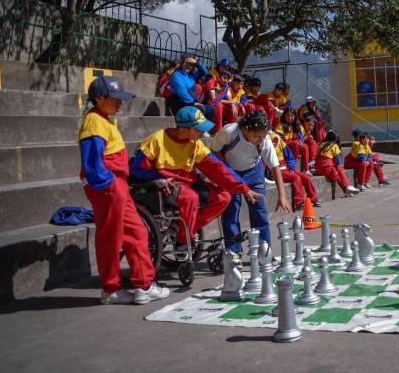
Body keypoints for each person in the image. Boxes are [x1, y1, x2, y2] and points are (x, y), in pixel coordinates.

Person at [79, 76, 169, 305]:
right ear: (100, 98)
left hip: (117, 186)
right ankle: (111, 289)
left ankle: (143, 285)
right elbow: (92, 163)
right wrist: (108, 184)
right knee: (111, 238)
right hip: (109, 187)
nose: (120, 103)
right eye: (115, 98)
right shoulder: (94, 121)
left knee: (137, 231)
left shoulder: (105, 120)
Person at [131, 107, 262, 254]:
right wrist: (159, 179)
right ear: (183, 129)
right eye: (199, 130)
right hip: (165, 185)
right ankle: (183, 240)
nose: (203, 134)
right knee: (190, 197)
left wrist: (244, 188)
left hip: (187, 182)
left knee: (223, 197)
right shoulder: (156, 140)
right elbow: (137, 170)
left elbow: (218, 168)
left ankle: (187, 229)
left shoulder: (195, 144)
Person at [210, 110, 292, 254]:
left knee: (259, 210)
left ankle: (263, 249)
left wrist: (282, 196)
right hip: (232, 172)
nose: (260, 139)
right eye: (256, 136)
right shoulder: (230, 132)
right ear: (245, 129)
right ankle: (233, 250)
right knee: (231, 210)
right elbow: (214, 150)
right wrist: (227, 169)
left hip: (253, 172)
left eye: (263, 136)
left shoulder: (264, 140)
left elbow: (274, 167)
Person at [269, 131, 320, 211]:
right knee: (296, 178)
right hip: (277, 172)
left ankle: (313, 199)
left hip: (287, 169)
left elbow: (290, 159)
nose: (275, 142)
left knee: (306, 177)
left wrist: (292, 169)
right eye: (273, 140)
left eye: (276, 140)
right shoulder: (267, 148)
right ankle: (299, 203)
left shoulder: (283, 145)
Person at [315, 131, 359, 197]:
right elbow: (338, 161)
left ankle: (347, 190)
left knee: (337, 170)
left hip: (319, 169)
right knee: (339, 169)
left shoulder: (320, 145)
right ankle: (347, 187)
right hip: (328, 169)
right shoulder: (334, 145)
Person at [275, 108, 310, 172]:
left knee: (305, 147)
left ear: (294, 116)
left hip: (295, 143)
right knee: (295, 144)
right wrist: (294, 141)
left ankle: (306, 169)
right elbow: (279, 138)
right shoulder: (280, 125)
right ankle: (292, 166)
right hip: (284, 146)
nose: (290, 118)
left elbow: (300, 138)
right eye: (288, 115)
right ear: (284, 116)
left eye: (292, 116)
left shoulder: (296, 125)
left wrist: (299, 141)